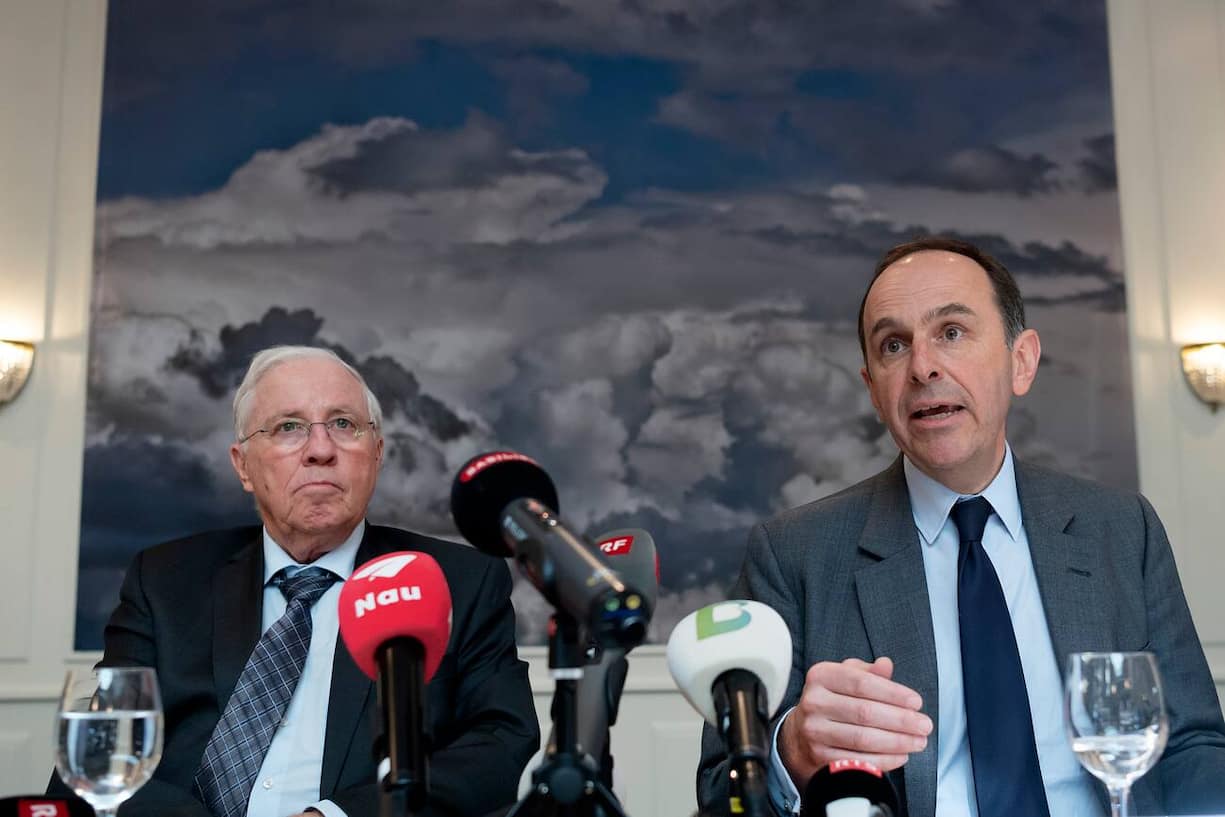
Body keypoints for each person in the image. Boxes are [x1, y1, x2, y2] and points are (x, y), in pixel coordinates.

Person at [697, 237, 1225, 817]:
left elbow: (1192, 746)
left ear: (1021, 361)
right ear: (874, 389)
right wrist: (791, 753)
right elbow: (721, 796)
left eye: (951, 332)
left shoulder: (1122, 529)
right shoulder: (794, 554)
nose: (922, 367)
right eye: (894, 345)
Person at [51, 345, 539, 817]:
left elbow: (497, 743)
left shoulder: (460, 581)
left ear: (377, 454)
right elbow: (103, 749)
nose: (321, 450)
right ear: (243, 465)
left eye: (344, 424)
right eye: (289, 427)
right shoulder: (164, 581)